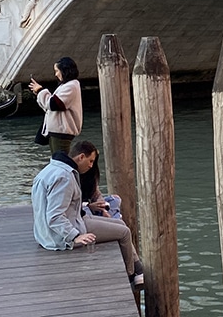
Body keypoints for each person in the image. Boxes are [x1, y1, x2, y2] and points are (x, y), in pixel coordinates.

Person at [31, 141, 144, 286]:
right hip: (59, 236)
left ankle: (138, 270)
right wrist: (75, 236)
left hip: (45, 233)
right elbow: (54, 216)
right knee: (124, 232)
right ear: (81, 157)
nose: (91, 165)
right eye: (90, 161)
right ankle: (132, 274)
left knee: (120, 223)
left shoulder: (51, 169)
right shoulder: (64, 177)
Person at [30, 57, 82, 156]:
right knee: (57, 160)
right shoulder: (67, 85)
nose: (56, 74)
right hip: (57, 131)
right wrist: (39, 93)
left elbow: (54, 104)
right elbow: (50, 107)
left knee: (60, 161)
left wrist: (40, 91)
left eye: (57, 71)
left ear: (64, 71)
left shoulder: (71, 86)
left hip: (62, 132)